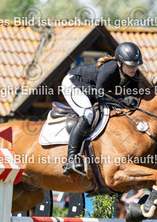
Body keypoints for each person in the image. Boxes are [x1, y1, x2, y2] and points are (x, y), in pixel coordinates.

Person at [60, 42, 145, 175]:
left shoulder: (134, 75)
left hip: (93, 90)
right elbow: (100, 96)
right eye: (130, 65)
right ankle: (71, 159)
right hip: (73, 84)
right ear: (119, 63)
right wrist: (123, 101)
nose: (133, 68)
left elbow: (134, 97)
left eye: (135, 65)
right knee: (88, 114)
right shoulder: (109, 70)